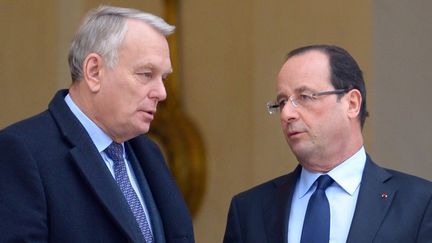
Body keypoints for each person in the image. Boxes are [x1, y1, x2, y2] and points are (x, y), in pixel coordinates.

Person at [0, 5, 194, 243]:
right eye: (146, 74)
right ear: (94, 71)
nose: (161, 93)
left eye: (163, 78)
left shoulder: (149, 153)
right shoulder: (22, 152)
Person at [223, 45, 432, 243]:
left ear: (352, 104)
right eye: (282, 102)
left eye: (304, 96)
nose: (287, 114)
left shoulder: (419, 204)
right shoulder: (249, 211)